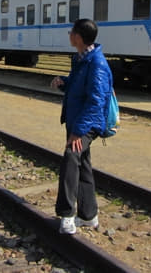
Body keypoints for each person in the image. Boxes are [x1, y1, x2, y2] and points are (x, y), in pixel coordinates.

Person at [50, 18, 113, 234]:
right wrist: (64, 83)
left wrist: (78, 132)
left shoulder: (97, 64)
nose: (69, 35)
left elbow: (96, 101)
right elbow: (79, 85)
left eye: (71, 32)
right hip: (77, 119)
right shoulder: (81, 59)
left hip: (89, 123)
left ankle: (67, 215)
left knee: (71, 157)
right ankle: (88, 216)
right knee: (83, 163)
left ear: (77, 37)